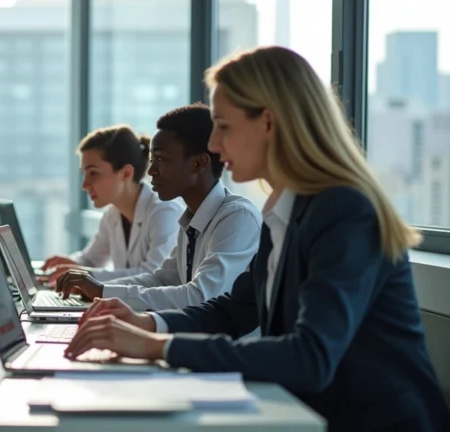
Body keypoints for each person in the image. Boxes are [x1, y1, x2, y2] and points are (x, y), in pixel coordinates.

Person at [64, 47, 450, 431]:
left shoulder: (343, 211)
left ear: (268, 122)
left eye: (224, 126)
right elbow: (233, 310)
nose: (214, 144)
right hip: (307, 414)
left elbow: (310, 356)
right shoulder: (284, 210)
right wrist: (146, 323)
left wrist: (156, 346)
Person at [54, 104, 261, 311]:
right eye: (152, 160)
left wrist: (101, 290)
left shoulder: (237, 217)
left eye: (161, 159)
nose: (151, 170)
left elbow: (200, 296)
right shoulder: (192, 219)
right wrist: (100, 289)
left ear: (199, 164)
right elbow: (161, 279)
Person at [41, 124, 181, 284]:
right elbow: (90, 261)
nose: (84, 185)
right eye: (84, 174)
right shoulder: (112, 214)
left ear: (126, 173)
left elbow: (153, 275)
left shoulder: (164, 213)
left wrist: (85, 276)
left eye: (93, 173)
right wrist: (68, 265)